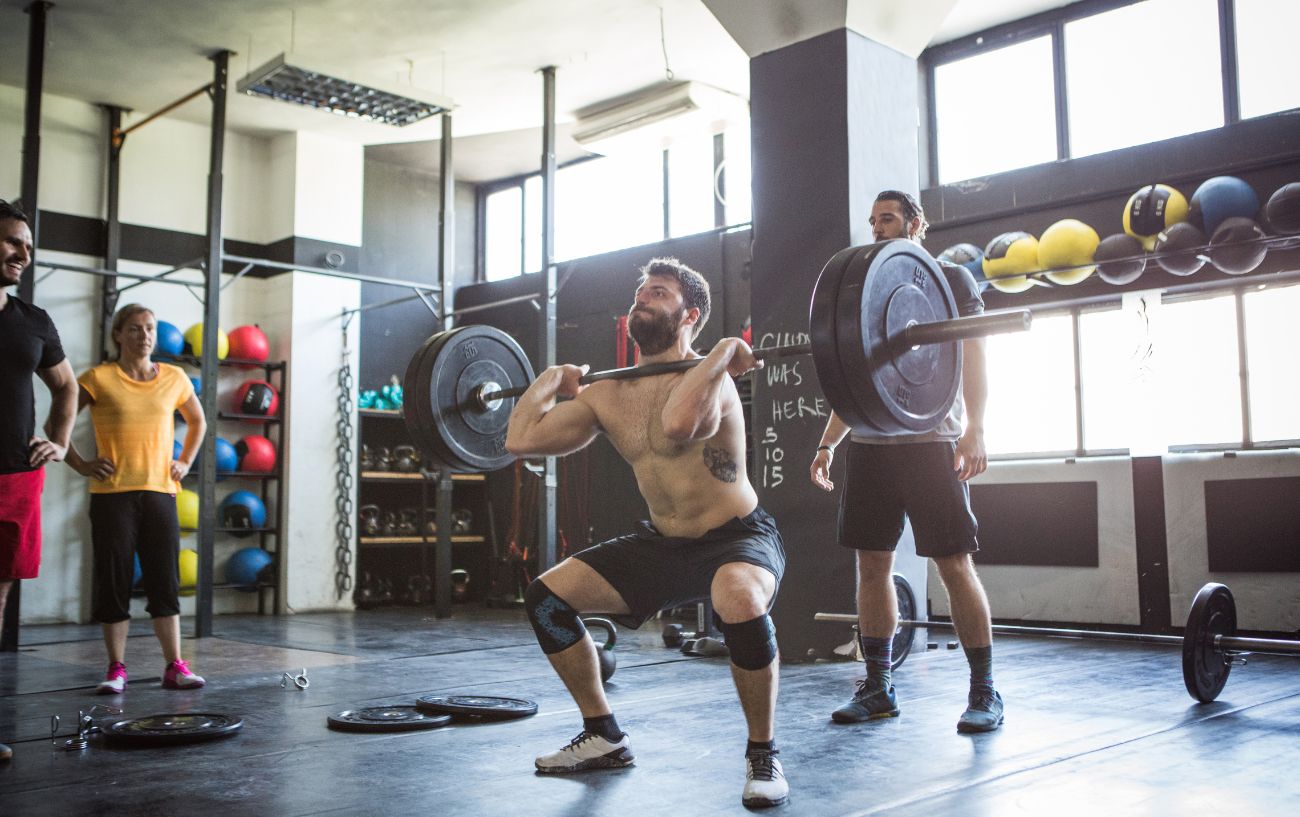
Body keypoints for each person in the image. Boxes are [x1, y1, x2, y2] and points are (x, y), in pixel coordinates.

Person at [506, 258, 789, 808]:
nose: (642, 300)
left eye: (657, 293)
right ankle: (604, 735)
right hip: (664, 543)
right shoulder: (608, 394)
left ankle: (763, 754)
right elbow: (521, 440)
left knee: (737, 596)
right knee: (546, 598)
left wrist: (723, 351)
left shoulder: (713, 381)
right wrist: (550, 381)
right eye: (640, 293)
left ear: (690, 315)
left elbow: (679, 425)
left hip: (737, 538)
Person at [810, 190, 1002, 733]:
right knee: (872, 566)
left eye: (887, 218)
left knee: (953, 563)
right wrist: (828, 444)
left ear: (915, 224)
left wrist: (976, 429)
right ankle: (878, 686)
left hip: (933, 444)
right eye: (872, 220)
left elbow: (977, 354)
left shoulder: (952, 280)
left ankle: (985, 691)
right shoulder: (865, 288)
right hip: (872, 446)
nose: (877, 228)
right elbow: (858, 379)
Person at [63, 303, 208, 694]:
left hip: (160, 492)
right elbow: (59, 421)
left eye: (149, 329)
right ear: (118, 335)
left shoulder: (175, 377)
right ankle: (115, 668)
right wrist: (81, 464)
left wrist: (185, 462)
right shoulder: (98, 378)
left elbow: (199, 421)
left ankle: (174, 666)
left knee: (165, 580)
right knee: (114, 581)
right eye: (134, 329)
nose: (144, 336)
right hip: (112, 495)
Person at [0, 199, 78, 762]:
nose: (22, 255)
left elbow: (67, 387)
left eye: (28, 246)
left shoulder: (33, 321)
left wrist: (60, 439)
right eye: (11, 243)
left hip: (15, 477)